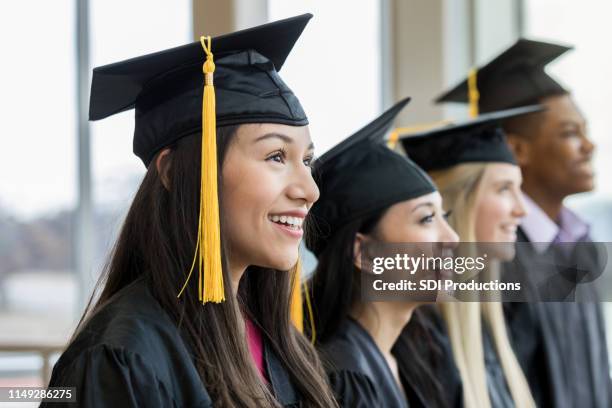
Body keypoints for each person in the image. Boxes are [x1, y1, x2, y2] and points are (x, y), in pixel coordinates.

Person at [42, 15, 339, 407]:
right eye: (276, 156)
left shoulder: (278, 344)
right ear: (172, 171)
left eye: (307, 160)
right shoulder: (120, 357)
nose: (309, 190)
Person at [436, 38, 611, 408]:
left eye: (584, 129)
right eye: (569, 133)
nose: (589, 146)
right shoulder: (495, 260)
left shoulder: (581, 244)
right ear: (517, 150)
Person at [305, 98, 460, 407]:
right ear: (364, 253)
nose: (452, 238)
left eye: (445, 216)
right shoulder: (341, 378)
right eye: (426, 218)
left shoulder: (410, 359)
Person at [399, 106, 542, 408]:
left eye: (519, 189)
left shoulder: (488, 318)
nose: (522, 209)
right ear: (455, 202)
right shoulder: (418, 334)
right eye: (504, 189)